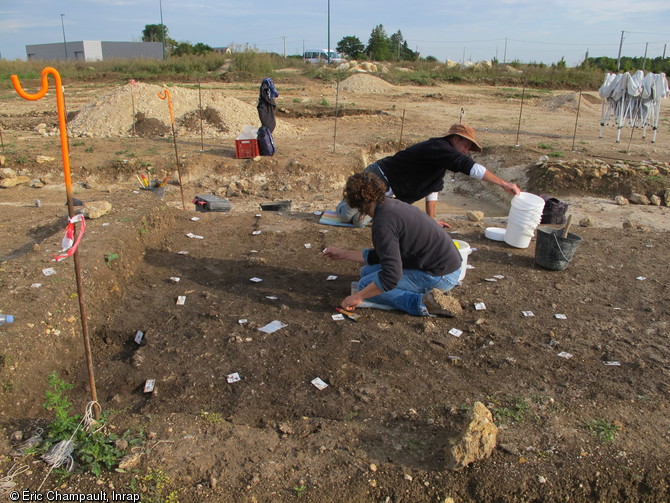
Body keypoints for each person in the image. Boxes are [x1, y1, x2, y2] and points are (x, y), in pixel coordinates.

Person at [324, 172, 464, 317]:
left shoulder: (383, 223)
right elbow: (383, 255)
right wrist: (343, 254)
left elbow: (391, 275)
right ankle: (424, 291)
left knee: (365, 286)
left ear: (356, 202)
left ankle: (423, 303)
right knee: (366, 273)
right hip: (443, 265)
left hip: (441, 275)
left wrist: (358, 297)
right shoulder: (388, 205)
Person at [336, 123, 521, 228]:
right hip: (377, 177)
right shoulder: (439, 148)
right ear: (455, 138)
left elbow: (433, 189)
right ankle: (347, 201)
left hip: (388, 190)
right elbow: (470, 168)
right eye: (466, 145)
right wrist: (503, 184)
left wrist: (431, 220)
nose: (466, 151)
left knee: (359, 223)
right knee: (347, 215)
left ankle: (359, 205)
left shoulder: (441, 159)